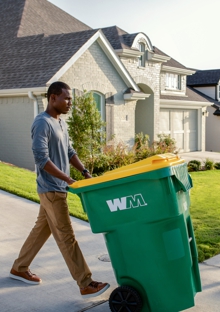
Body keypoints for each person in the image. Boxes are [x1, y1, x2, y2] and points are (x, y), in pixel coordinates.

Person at [9, 81, 110, 299]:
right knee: (67, 237)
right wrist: (67, 179)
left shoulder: (60, 123)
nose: (70, 103)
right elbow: (41, 158)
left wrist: (83, 171)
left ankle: (19, 267)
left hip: (56, 188)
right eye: (66, 98)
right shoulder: (42, 123)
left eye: (71, 98)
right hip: (52, 189)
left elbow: (69, 151)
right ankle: (85, 282)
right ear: (52, 98)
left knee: (41, 230)